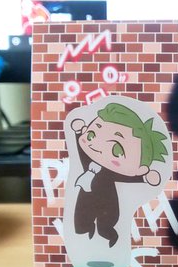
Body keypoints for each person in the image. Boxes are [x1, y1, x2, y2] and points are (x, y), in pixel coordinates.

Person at [71, 102, 167, 247]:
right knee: (81, 221)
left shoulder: (112, 173)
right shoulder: (89, 162)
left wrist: (144, 178)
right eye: (91, 135)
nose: (97, 147)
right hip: (85, 197)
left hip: (108, 201)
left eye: (117, 150)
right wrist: (78, 132)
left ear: (140, 168)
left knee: (106, 223)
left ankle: (110, 237)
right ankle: (86, 238)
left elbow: (126, 177)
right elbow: (81, 151)